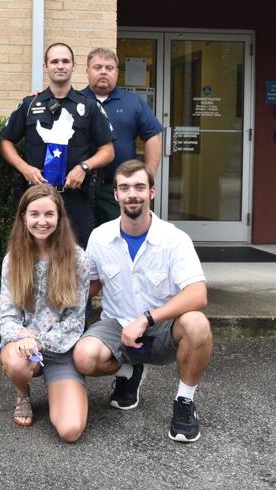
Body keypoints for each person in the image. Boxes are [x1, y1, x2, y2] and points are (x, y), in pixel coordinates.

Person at [72, 159, 213, 443]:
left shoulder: (175, 239)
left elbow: (198, 294)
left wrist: (146, 319)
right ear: (116, 195)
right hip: (116, 326)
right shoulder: (100, 237)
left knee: (197, 323)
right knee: (83, 357)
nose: (132, 194)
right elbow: (91, 285)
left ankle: (185, 402)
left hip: (161, 329)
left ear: (152, 192)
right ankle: (128, 371)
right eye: (124, 188)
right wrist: (49, 311)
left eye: (139, 186)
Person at [0, 184, 89, 442]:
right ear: (23, 217)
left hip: (61, 349)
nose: (41, 221)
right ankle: (22, 392)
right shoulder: (12, 259)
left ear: (59, 218)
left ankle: (60, 387)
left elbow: (75, 321)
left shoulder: (77, 259)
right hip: (24, 348)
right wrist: (23, 336)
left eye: (49, 214)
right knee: (15, 362)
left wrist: (41, 341)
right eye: (34, 214)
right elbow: (6, 316)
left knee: (70, 431)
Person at [0, 42, 114, 249]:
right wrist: (24, 168)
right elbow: (6, 142)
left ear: (74, 66)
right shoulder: (29, 104)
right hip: (37, 199)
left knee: (79, 258)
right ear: (45, 67)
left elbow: (108, 150)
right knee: (31, 257)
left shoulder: (88, 106)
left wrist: (83, 167)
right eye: (54, 61)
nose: (60, 65)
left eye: (65, 61)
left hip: (75, 198)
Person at [80, 48, 162, 225]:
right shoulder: (76, 101)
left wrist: (149, 177)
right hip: (80, 187)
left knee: (120, 237)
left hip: (119, 188)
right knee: (81, 238)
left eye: (109, 68)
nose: (103, 71)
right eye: (98, 67)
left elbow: (152, 137)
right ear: (87, 71)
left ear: (117, 72)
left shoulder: (132, 102)